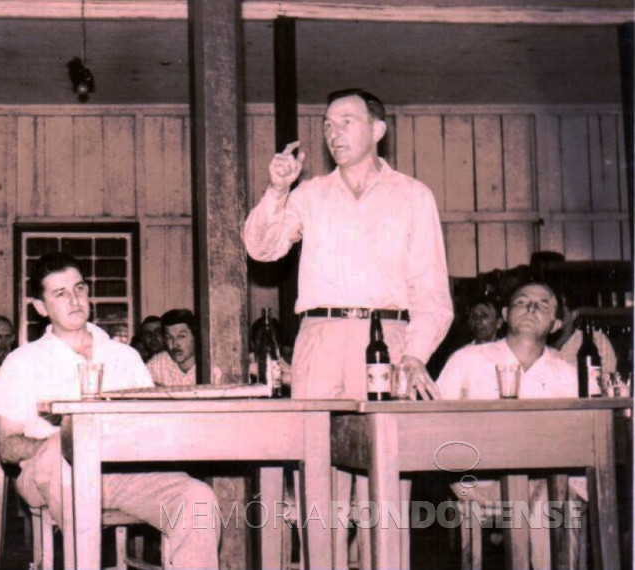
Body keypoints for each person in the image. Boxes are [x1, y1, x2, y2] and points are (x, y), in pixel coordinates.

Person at [0, 252, 220, 568]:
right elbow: (8, 447)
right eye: (60, 293)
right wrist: (67, 443)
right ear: (41, 307)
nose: (74, 300)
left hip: (119, 471)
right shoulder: (22, 361)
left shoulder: (124, 356)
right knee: (63, 452)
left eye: (79, 288)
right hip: (50, 472)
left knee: (197, 499)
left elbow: (150, 428)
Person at [243, 88, 452, 400]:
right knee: (313, 431)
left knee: (381, 432)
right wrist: (277, 190)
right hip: (318, 341)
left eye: (346, 122)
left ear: (377, 130)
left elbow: (431, 291)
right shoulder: (309, 194)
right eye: (328, 125)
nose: (334, 133)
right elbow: (261, 248)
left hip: (385, 341)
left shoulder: (413, 196)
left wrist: (415, 354)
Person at [436, 282, 589, 568]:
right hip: (483, 482)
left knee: (553, 500)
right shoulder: (467, 360)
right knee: (550, 502)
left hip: (550, 486)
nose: (531, 308)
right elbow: (433, 422)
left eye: (543, 304)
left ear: (556, 324)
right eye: (522, 301)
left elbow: (584, 440)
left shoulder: (568, 375)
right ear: (505, 315)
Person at [146, 308, 222, 386]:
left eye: (181, 336)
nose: (175, 344)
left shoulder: (213, 368)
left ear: (196, 337)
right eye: (169, 337)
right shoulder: (159, 363)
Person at [553, 294, 617, 378]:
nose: (555, 314)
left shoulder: (597, 340)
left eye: (560, 309)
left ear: (574, 314)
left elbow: (608, 378)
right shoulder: (539, 344)